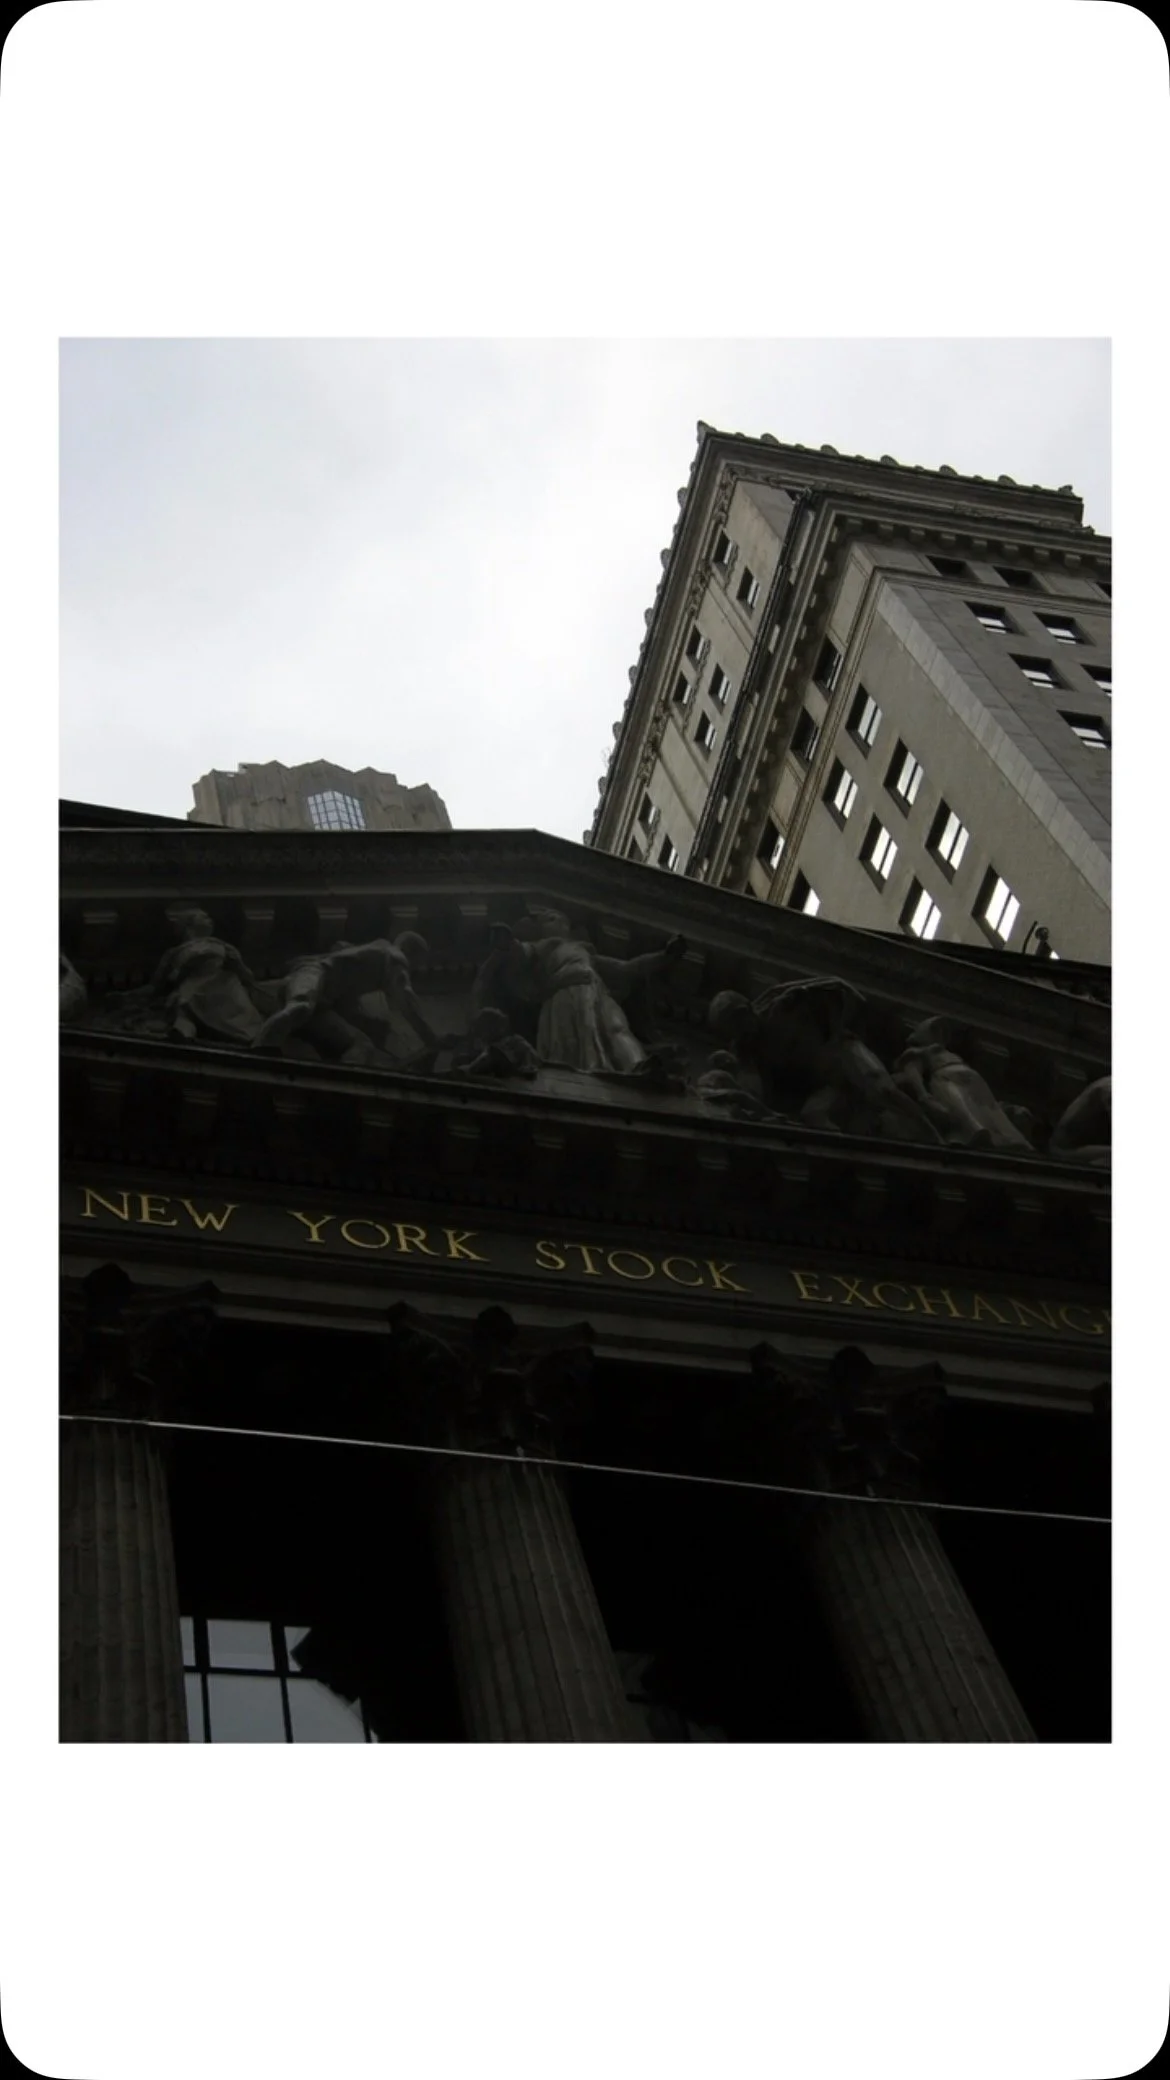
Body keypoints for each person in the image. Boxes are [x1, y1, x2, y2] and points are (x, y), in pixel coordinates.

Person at [709, 975, 941, 1143]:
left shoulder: (781, 1004)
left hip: (844, 1054)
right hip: (826, 1081)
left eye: (737, 1024)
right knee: (813, 1115)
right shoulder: (751, 1052)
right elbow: (760, 1091)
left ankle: (934, 1137)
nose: (740, 1033)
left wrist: (836, 1031)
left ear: (746, 1010)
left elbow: (839, 988)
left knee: (884, 1091)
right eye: (733, 1031)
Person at [476, 908, 686, 1075]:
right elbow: (519, 952)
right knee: (573, 1038)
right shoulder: (544, 946)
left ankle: (636, 1065)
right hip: (566, 993)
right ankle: (579, 1072)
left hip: (598, 992)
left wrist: (665, 956)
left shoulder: (585, 950)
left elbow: (627, 968)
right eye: (549, 920)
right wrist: (505, 940)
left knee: (618, 1028)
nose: (557, 922)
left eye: (558, 919)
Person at [251, 934, 439, 1058]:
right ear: (410, 951)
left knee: (361, 1045)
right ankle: (259, 1050)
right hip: (313, 973)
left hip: (323, 1003)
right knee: (300, 1007)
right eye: (417, 962)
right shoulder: (395, 956)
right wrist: (431, 1038)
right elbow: (406, 997)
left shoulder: (372, 956)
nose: (413, 969)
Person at [892, 1016, 1033, 1150]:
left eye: (941, 1032)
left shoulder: (948, 1053)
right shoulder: (918, 1052)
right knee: (958, 1104)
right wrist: (924, 1096)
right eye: (935, 1031)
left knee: (987, 1109)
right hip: (946, 1077)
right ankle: (971, 1134)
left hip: (972, 1080)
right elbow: (913, 1072)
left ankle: (1005, 1139)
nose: (940, 1034)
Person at [151, 909, 268, 1044]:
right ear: (189, 924)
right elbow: (159, 982)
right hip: (192, 989)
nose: (210, 919)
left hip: (223, 991)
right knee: (184, 1006)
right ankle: (182, 1035)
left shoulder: (222, 946)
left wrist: (238, 965)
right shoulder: (174, 953)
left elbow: (246, 974)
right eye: (204, 917)